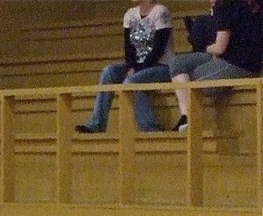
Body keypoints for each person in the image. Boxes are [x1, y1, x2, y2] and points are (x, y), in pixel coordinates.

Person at [75, 0, 175, 134]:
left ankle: (150, 128)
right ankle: (96, 123)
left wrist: (137, 70)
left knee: (131, 82)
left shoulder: (161, 11)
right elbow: (129, 47)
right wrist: (131, 67)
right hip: (137, 66)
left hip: (161, 66)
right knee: (108, 71)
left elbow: (158, 48)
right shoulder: (130, 14)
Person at [169, 0, 263, 130]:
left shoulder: (225, 5)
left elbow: (219, 48)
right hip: (240, 59)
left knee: (188, 85)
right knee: (178, 63)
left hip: (238, 63)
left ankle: (191, 122)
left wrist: (205, 47)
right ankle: (186, 117)